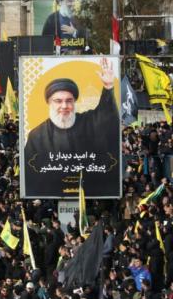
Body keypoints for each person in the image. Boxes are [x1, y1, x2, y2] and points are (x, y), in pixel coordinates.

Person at [23, 57, 120, 197]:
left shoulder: (88, 122)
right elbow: (31, 174)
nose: (64, 106)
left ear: (74, 102)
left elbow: (106, 116)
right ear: (49, 103)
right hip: (52, 194)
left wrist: (108, 87)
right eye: (58, 101)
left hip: (89, 191)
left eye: (69, 101)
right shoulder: (37, 135)